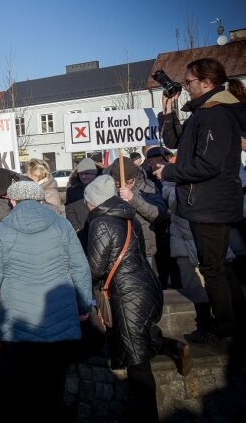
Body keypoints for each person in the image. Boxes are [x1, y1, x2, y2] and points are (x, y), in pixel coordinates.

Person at [84, 175, 192, 421]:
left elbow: (95, 268)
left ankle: (146, 415)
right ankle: (172, 347)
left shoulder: (101, 222)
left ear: (95, 201)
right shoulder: (127, 215)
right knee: (136, 340)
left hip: (127, 293)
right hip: (144, 285)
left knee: (138, 363)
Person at [0, 180, 92, 421]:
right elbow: (80, 269)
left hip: (19, 321)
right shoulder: (62, 226)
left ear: (12, 201)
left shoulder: (1, 230)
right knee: (52, 386)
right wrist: (84, 306)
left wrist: (8, 291)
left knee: (19, 387)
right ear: (41, 199)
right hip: (58, 318)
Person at [155, 58, 246, 343]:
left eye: (189, 82)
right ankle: (236, 321)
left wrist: (168, 171)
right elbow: (175, 141)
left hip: (209, 203)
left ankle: (225, 328)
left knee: (213, 267)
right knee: (218, 264)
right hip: (208, 201)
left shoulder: (215, 115)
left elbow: (209, 164)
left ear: (207, 82)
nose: (186, 86)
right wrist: (168, 108)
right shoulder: (205, 113)